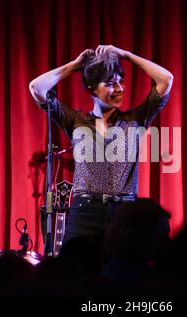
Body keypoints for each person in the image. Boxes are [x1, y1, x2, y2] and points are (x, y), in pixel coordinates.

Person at [29, 45, 173, 250]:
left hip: (125, 215)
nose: (119, 89)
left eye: (121, 82)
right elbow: (37, 88)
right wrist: (75, 65)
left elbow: (166, 79)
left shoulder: (135, 120)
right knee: (76, 275)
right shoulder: (75, 121)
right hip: (84, 212)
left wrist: (126, 55)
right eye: (110, 84)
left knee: (124, 276)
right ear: (92, 88)